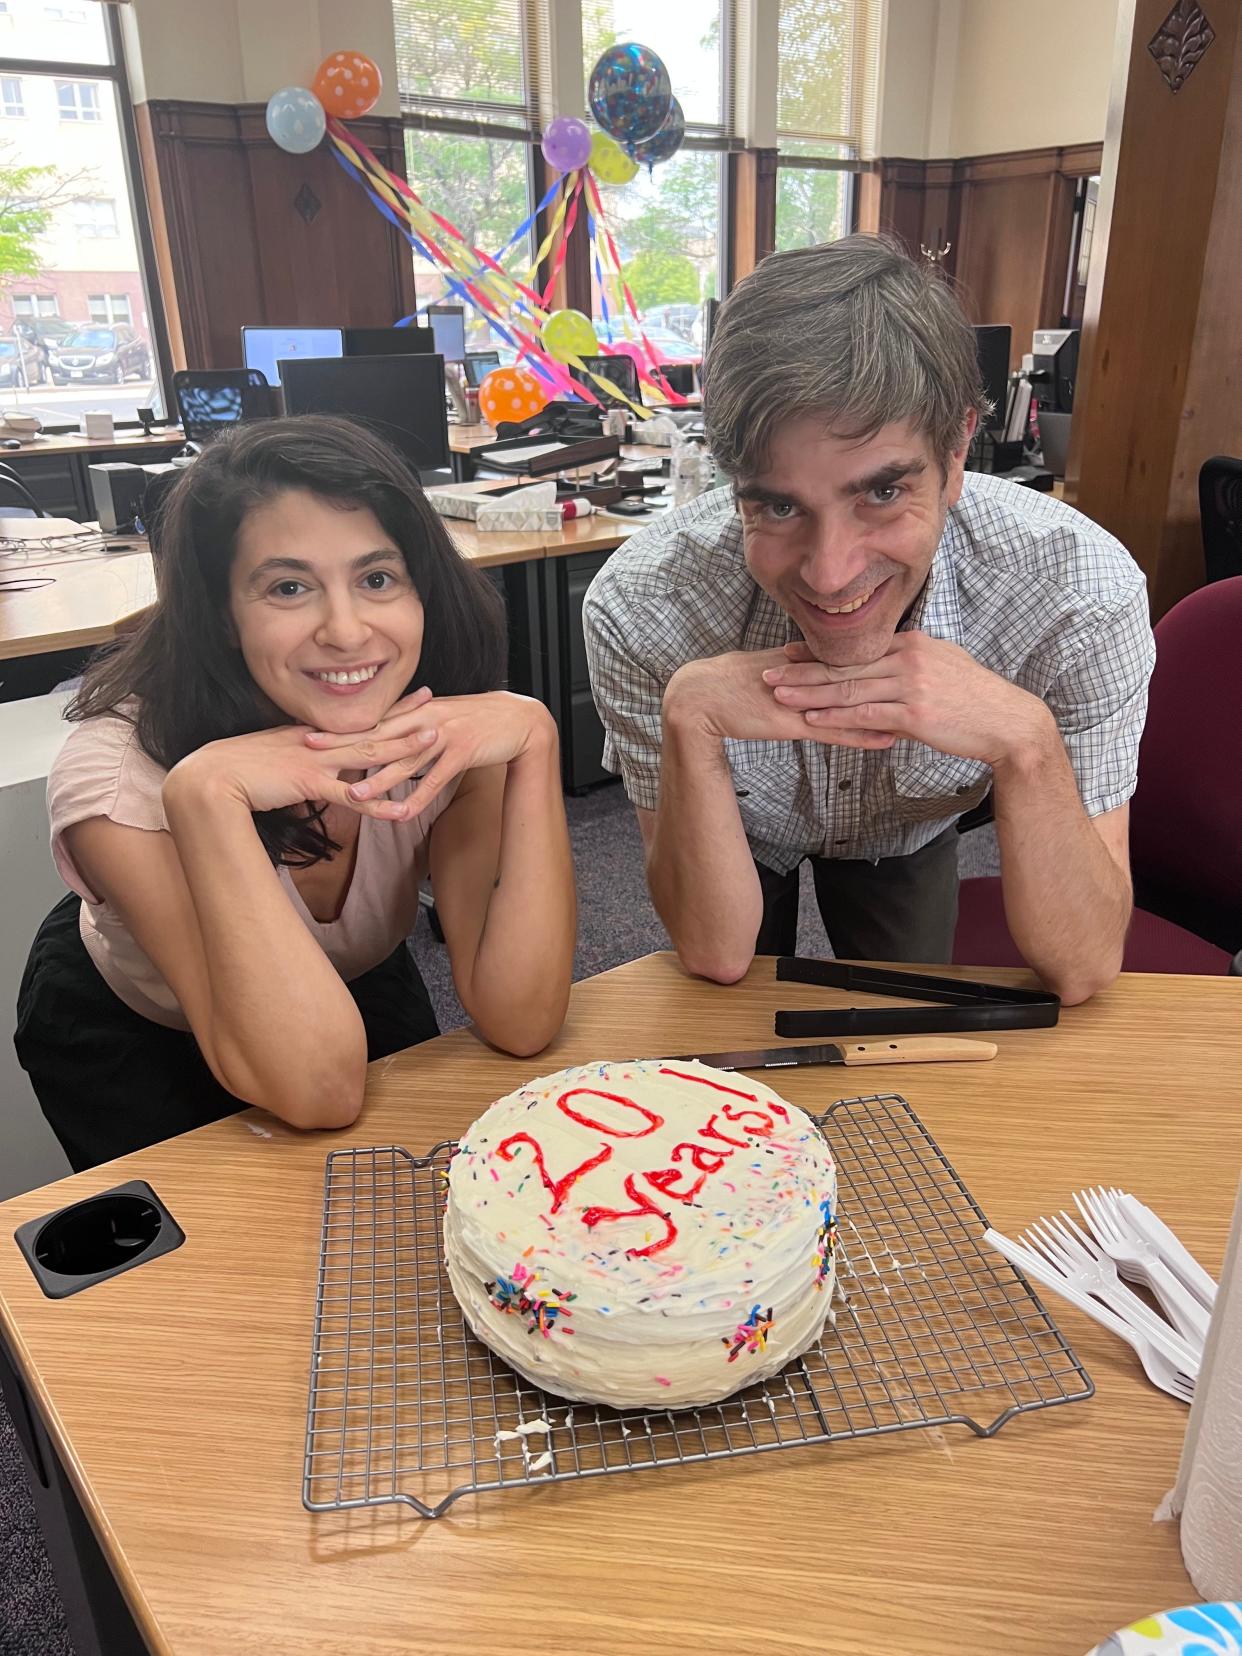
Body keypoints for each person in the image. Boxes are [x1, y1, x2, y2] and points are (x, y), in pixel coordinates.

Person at [584, 235, 1154, 1003]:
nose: (831, 572)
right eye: (779, 505)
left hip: (910, 824)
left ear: (956, 453)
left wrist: (1026, 741)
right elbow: (715, 951)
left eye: (881, 493)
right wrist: (689, 717)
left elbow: (1083, 965)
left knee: (908, 1002)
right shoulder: (642, 606)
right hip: (747, 827)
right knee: (728, 1011)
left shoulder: (1078, 593)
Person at [16, 415, 576, 1171]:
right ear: (222, 611)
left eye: (377, 579)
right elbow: (319, 1091)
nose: (347, 632)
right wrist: (207, 793)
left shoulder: (443, 727)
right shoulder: (117, 779)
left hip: (348, 979)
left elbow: (522, 1017)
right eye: (288, 587)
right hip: (139, 1025)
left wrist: (536, 739)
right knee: (220, 1274)